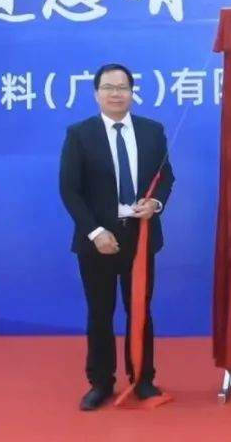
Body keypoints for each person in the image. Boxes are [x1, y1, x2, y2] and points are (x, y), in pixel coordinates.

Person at [59, 63, 175, 411]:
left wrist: (155, 204)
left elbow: (166, 178)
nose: (115, 94)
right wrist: (96, 232)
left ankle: (143, 378)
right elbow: (69, 190)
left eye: (122, 87)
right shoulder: (80, 134)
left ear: (132, 92)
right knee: (100, 313)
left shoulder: (152, 131)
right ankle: (100, 383)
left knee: (140, 310)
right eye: (108, 87)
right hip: (98, 240)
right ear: (96, 93)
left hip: (140, 237)